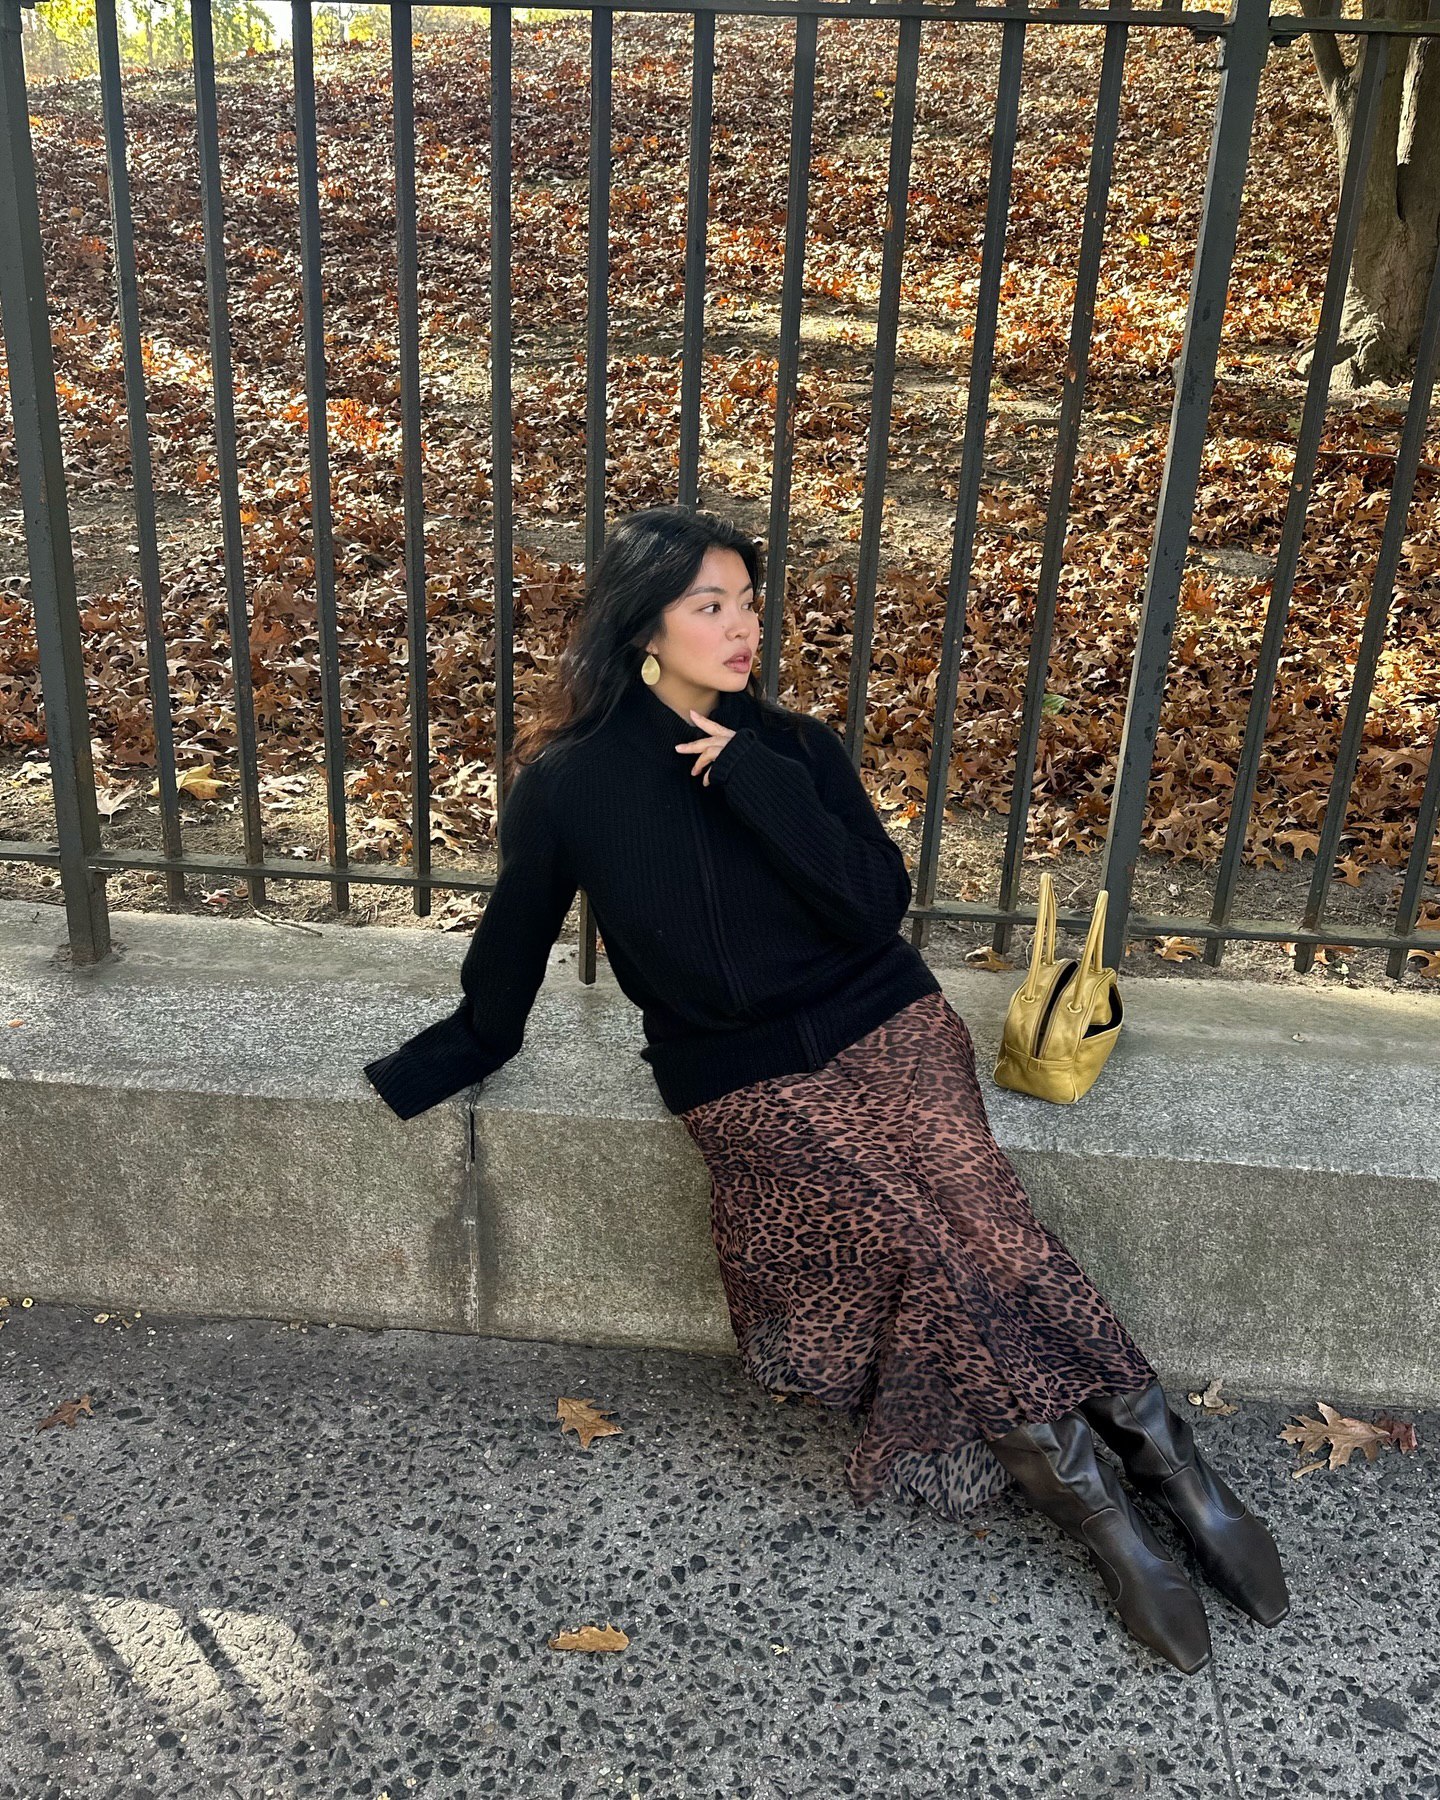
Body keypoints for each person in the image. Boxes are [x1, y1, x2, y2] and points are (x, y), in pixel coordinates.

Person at [362, 505, 1289, 1674]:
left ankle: (1169, 1467)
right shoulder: (568, 784)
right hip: (738, 1070)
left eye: (748, 603)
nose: (742, 626)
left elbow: (871, 906)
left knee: (982, 1216)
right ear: (643, 627)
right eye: (710, 605)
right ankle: (1101, 1508)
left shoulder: (793, 748)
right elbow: (513, 937)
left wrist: (756, 782)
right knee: (919, 1234)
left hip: (886, 1021)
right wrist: (462, 1049)